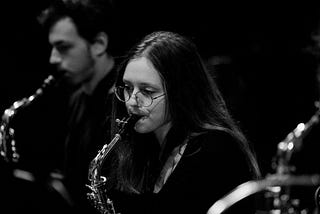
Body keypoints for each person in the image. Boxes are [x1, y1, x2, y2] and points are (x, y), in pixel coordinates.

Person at [97, 31, 261, 214]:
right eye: (127, 88)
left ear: (181, 93)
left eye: (148, 91)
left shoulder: (217, 150)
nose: (131, 101)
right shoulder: (144, 146)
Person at [6, 0, 118, 213]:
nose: (53, 59)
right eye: (52, 48)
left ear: (99, 44)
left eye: (63, 47)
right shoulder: (75, 96)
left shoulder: (125, 102)